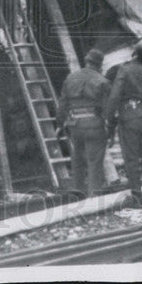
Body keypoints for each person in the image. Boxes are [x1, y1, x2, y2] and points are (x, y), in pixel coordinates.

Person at [106, 39, 142, 207]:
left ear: (135, 54)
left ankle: (138, 199)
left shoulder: (124, 70)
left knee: (131, 159)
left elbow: (114, 96)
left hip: (129, 117)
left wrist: (110, 121)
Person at [58, 48, 111, 196]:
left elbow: (62, 105)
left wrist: (59, 123)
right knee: (94, 163)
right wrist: (111, 128)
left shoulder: (70, 79)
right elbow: (108, 109)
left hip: (75, 126)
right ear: (99, 64)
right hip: (94, 126)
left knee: (78, 161)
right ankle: (94, 198)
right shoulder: (103, 81)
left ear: (86, 61)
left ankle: (77, 195)